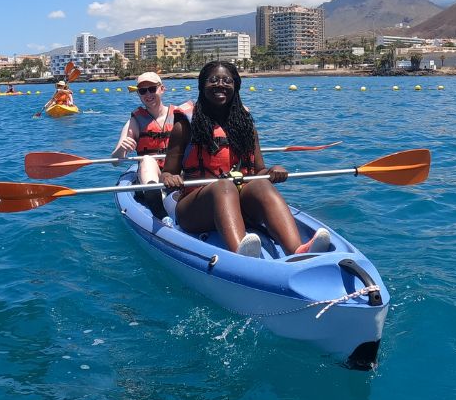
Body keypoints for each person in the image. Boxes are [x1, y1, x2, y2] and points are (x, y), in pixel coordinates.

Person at [160, 60, 330, 258]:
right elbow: (168, 172)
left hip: (240, 202)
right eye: (213, 80)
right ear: (202, 86)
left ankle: (297, 250)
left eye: (227, 81)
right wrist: (169, 178)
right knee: (223, 186)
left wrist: (273, 170)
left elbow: (259, 172)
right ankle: (242, 254)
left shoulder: (245, 126)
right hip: (196, 209)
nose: (220, 85)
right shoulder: (185, 126)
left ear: (236, 86)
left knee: (261, 185)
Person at [111, 72, 192, 217]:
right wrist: (122, 148)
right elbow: (116, 162)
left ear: (162, 89)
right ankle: (157, 204)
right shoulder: (134, 122)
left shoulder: (180, 116)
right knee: (147, 160)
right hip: (152, 173)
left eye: (152, 89)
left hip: (176, 171)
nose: (147, 94)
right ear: (139, 94)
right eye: (142, 91)